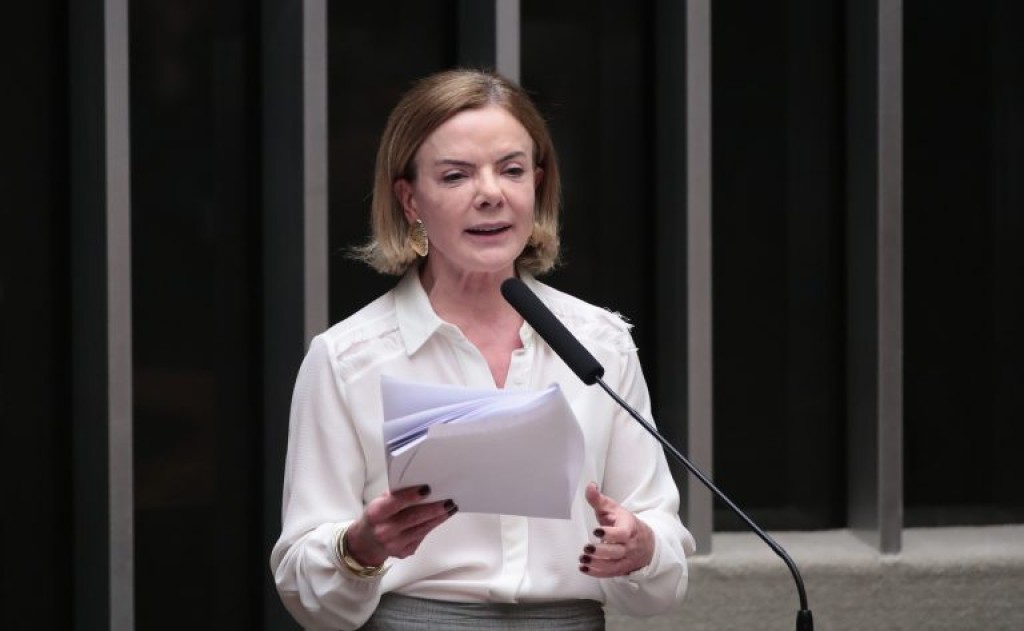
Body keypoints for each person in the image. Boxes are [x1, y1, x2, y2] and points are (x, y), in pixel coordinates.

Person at [270, 69, 696, 630]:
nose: (491, 193)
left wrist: (640, 545)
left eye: (512, 170)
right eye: (456, 175)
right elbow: (304, 591)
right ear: (410, 199)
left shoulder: (600, 344)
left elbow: (663, 574)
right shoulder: (348, 358)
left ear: (537, 185)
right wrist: (360, 546)